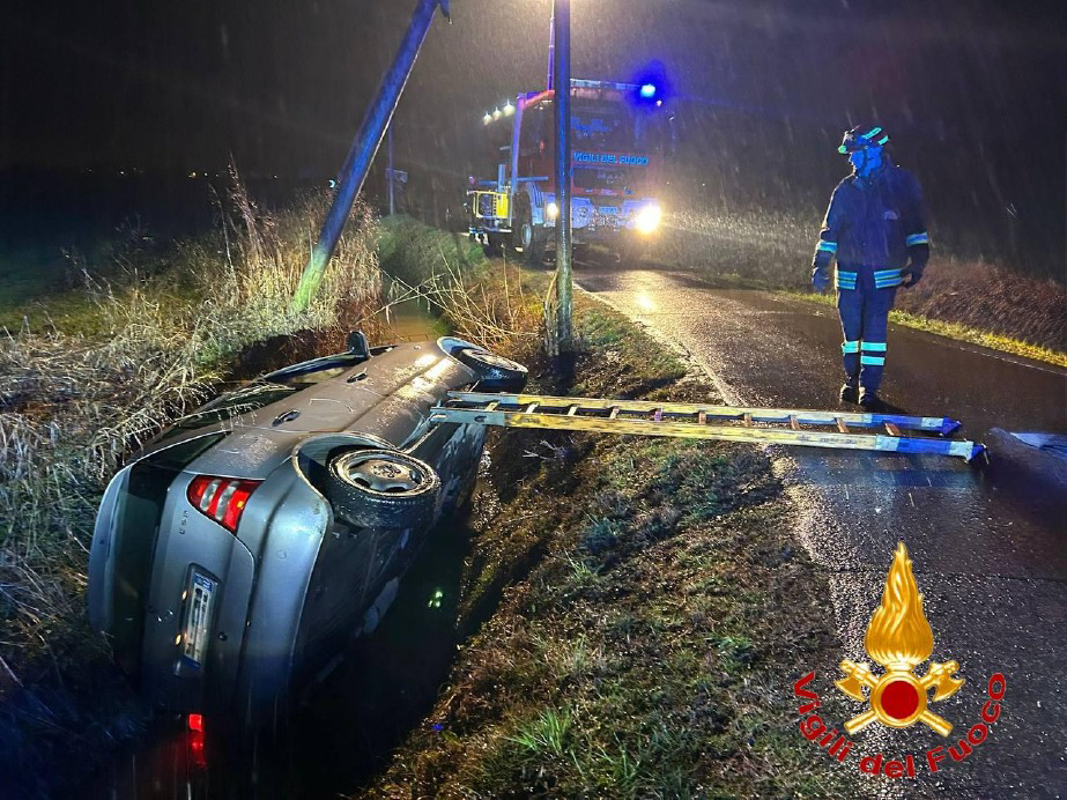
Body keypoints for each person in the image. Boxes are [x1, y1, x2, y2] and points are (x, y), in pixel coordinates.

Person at [811, 124, 930, 409]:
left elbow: (915, 228)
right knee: (852, 335)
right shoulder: (845, 190)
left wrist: (918, 263)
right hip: (849, 276)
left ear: (873, 151)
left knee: (874, 334)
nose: (851, 160)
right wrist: (820, 267)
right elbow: (829, 233)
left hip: (883, 277)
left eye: (855, 153)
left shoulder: (901, 185)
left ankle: (869, 388)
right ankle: (852, 381)